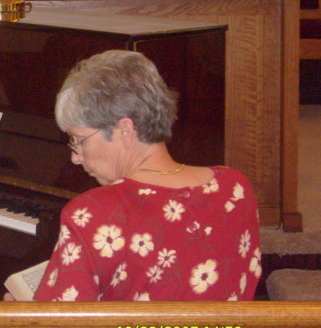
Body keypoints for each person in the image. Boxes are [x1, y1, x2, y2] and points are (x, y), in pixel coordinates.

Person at [27, 50, 261, 302]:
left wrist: (20, 312)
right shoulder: (235, 186)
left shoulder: (92, 213)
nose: (76, 157)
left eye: (78, 140)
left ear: (125, 130)